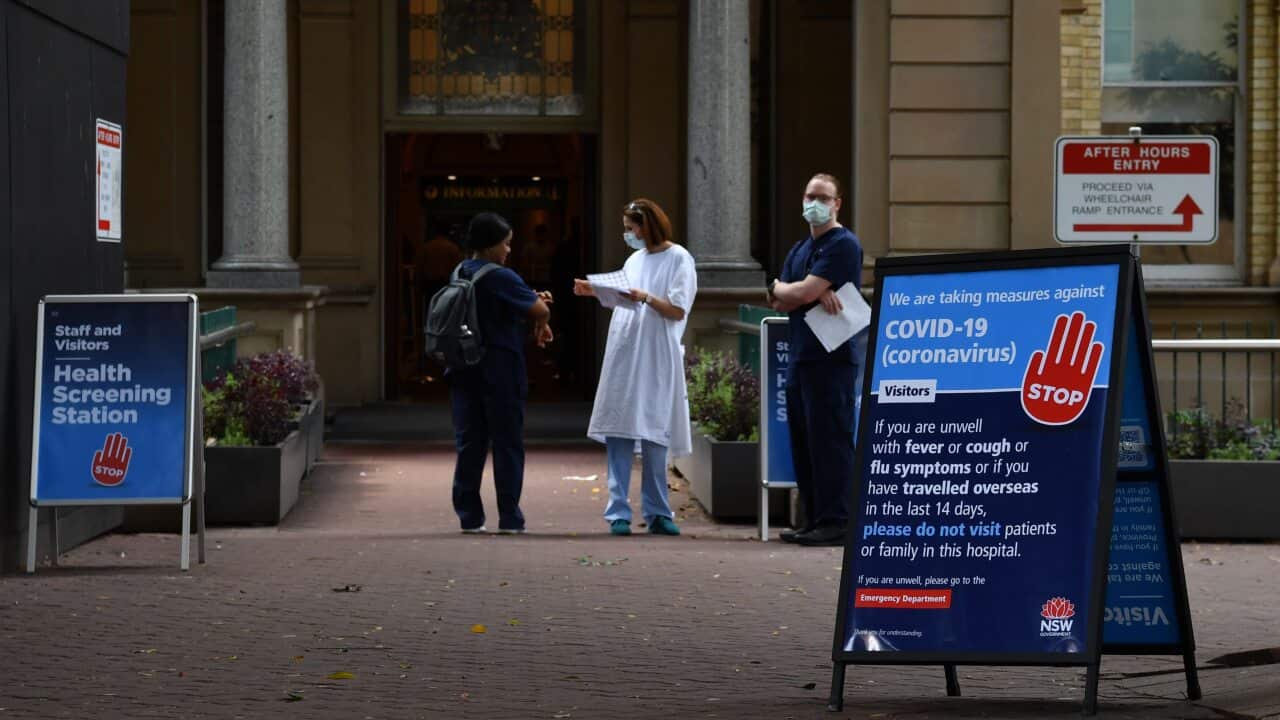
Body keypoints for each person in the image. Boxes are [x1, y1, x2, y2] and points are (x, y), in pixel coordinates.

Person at [574, 199, 697, 537]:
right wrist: (596, 291)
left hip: (656, 351)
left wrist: (645, 297)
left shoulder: (678, 259)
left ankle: (658, 511)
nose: (627, 235)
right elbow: (623, 295)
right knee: (619, 429)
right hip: (625, 349)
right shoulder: (634, 259)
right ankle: (618, 512)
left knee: (655, 429)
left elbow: (677, 309)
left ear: (647, 226)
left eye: (631, 228)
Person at [767, 173, 864, 546]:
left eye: (823, 197)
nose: (815, 202)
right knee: (804, 441)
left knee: (830, 442)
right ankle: (812, 518)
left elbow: (801, 291)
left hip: (831, 358)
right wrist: (793, 291)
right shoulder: (800, 248)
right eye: (810, 195)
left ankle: (835, 521)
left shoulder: (843, 245)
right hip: (801, 356)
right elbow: (779, 299)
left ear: (837, 203)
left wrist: (799, 290)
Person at [448, 212, 554, 534]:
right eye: (506, 244)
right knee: (507, 442)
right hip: (500, 368)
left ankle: (469, 516)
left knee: (470, 442)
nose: (509, 250)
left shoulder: (459, 272)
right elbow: (540, 310)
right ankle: (509, 517)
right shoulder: (501, 277)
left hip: (463, 367)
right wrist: (540, 306)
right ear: (492, 245)